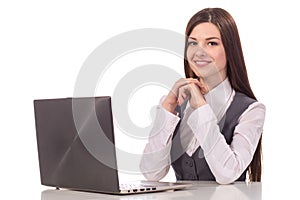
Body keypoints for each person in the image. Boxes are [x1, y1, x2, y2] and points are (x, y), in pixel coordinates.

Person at [140, 7, 266, 184]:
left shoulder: (251, 110)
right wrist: (167, 110)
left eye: (211, 43)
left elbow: (228, 174)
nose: (199, 52)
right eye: (193, 43)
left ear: (230, 50)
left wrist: (201, 107)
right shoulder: (173, 104)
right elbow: (151, 173)